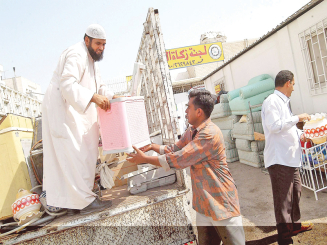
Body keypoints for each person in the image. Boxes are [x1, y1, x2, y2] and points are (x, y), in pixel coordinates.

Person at [127, 90, 245, 245]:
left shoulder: (209, 134)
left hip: (221, 204)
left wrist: (145, 159)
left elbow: (179, 159)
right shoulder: (192, 131)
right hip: (204, 204)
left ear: (199, 111)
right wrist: (152, 146)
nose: (185, 110)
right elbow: (175, 149)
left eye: (188, 107)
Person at [42, 24, 116, 215]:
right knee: (73, 153)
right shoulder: (76, 54)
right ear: (87, 40)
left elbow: (101, 87)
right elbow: (67, 84)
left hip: (75, 110)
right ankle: (83, 203)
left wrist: (112, 97)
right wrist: (93, 97)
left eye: (104, 44)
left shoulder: (92, 61)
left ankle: (80, 200)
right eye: (98, 43)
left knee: (85, 150)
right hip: (62, 108)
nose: (101, 48)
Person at [261, 70, 313, 244]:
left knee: (296, 193)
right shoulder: (272, 101)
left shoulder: (284, 102)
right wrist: (297, 118)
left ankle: (295, 225)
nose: (294, 88)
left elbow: (286, 128)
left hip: (290, 159)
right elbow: (274, 126)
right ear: (288, 83)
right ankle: (284, 237)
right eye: (294, 84)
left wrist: (300, 134)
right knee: (283, 200)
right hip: (279, 160)